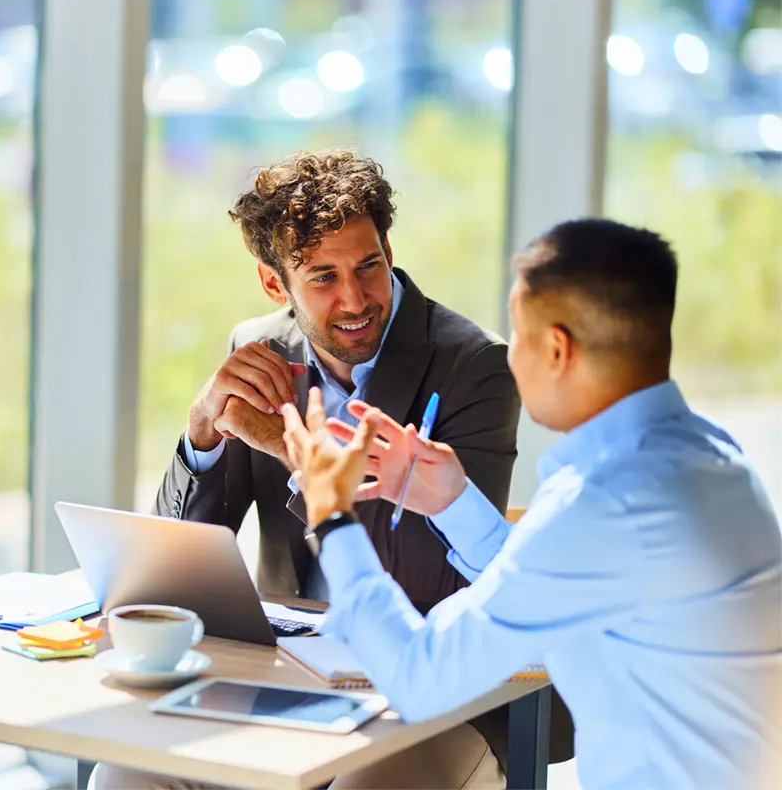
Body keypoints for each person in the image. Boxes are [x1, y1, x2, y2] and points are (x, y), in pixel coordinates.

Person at [97, 149, 573, 789]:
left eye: (368, 266)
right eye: (323, 277)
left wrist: (295, 453)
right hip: (286, 674)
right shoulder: (258, 351)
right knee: (126, 773)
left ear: (389, 251)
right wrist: (201, 432)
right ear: (275, 284)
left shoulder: (476, 366)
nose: (355, 299)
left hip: (438, 697)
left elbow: (430, 576)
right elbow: (174, 572)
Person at [281, 218, 782, 789]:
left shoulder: (601, 502)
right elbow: (551, 587)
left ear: (557, 349)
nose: (511, 355)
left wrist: (333, 516)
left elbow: (419, 679)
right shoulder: (714, 462)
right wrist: (452, 501)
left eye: (518, 334)